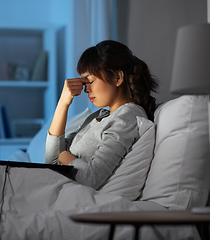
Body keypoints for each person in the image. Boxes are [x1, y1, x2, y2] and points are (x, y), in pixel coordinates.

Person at [45, 40, 158, 190]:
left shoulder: (127, 117)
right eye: (84, 83)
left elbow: (91, 178)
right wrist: (63, 103)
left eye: (90, 81)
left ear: (117, 78)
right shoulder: (100, 116)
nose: (86, 89)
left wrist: (65, 157)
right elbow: (51, 161)